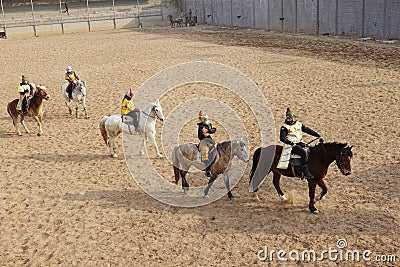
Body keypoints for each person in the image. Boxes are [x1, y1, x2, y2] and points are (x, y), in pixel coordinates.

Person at [279, 107, 323, 179]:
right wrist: (291, 143)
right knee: (303, 153)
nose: (288, 120)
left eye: (290, 118)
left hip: (300, 142)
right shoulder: (284, 127)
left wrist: (317, 135)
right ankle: (305, 171)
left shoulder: (298, 124)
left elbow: (307, 130)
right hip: (291, 145)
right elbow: (282, 138)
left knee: (310, 150)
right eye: (287, 118)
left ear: (293, 118)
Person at [197, 111, 217, 177]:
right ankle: (207, 170)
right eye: (205, 119)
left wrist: (208, 131)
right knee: (205, 153)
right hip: (204, 141)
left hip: (209, 140)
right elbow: (200, 136)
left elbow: (213, 130)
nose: (207, 120)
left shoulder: (208, 124)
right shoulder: (201, 126)